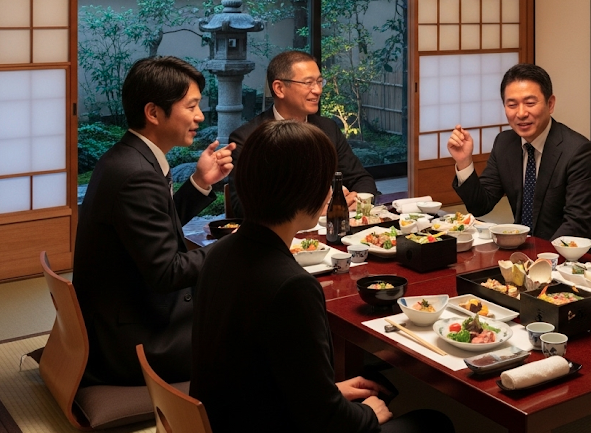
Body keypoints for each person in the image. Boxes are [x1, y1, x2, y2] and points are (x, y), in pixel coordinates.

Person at [191, 119, 454, 433]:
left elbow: (259, 370)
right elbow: (325, 421)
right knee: (433, 422)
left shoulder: (219, 252)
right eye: (326, 182)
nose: (330, 191)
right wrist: (367, 415)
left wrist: (329, 391)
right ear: (307, 191)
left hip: (234, 417)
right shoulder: (292, 286)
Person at [72, 56, 235, 386]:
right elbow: (167, 271)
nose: (200, 116)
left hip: (124, 317)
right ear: (153, 112)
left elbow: (155, 226)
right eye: (191, 106)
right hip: (138, 341)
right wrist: (239, 243)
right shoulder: (136, 174)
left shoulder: (128, 156)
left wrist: (200, 183)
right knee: (253, 326)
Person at [447, 63, 591, 255]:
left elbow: (577, 223)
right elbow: (480, 205)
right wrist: (464, 162)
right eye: (512, 105)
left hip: (573, 258)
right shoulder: (505, 143)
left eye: (530, 103)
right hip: (523, 250)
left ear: (550, 104)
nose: (521, 113)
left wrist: (540, 259)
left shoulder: (577, 151)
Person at [228, 50, 377, 217]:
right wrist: (309, 211)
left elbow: (361, 179)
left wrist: (357, 199)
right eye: (308, 83)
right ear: (279, 88)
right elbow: (242, 205)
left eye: (319, 82)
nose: (318, 90)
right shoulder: (247, 138)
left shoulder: (327, 128)